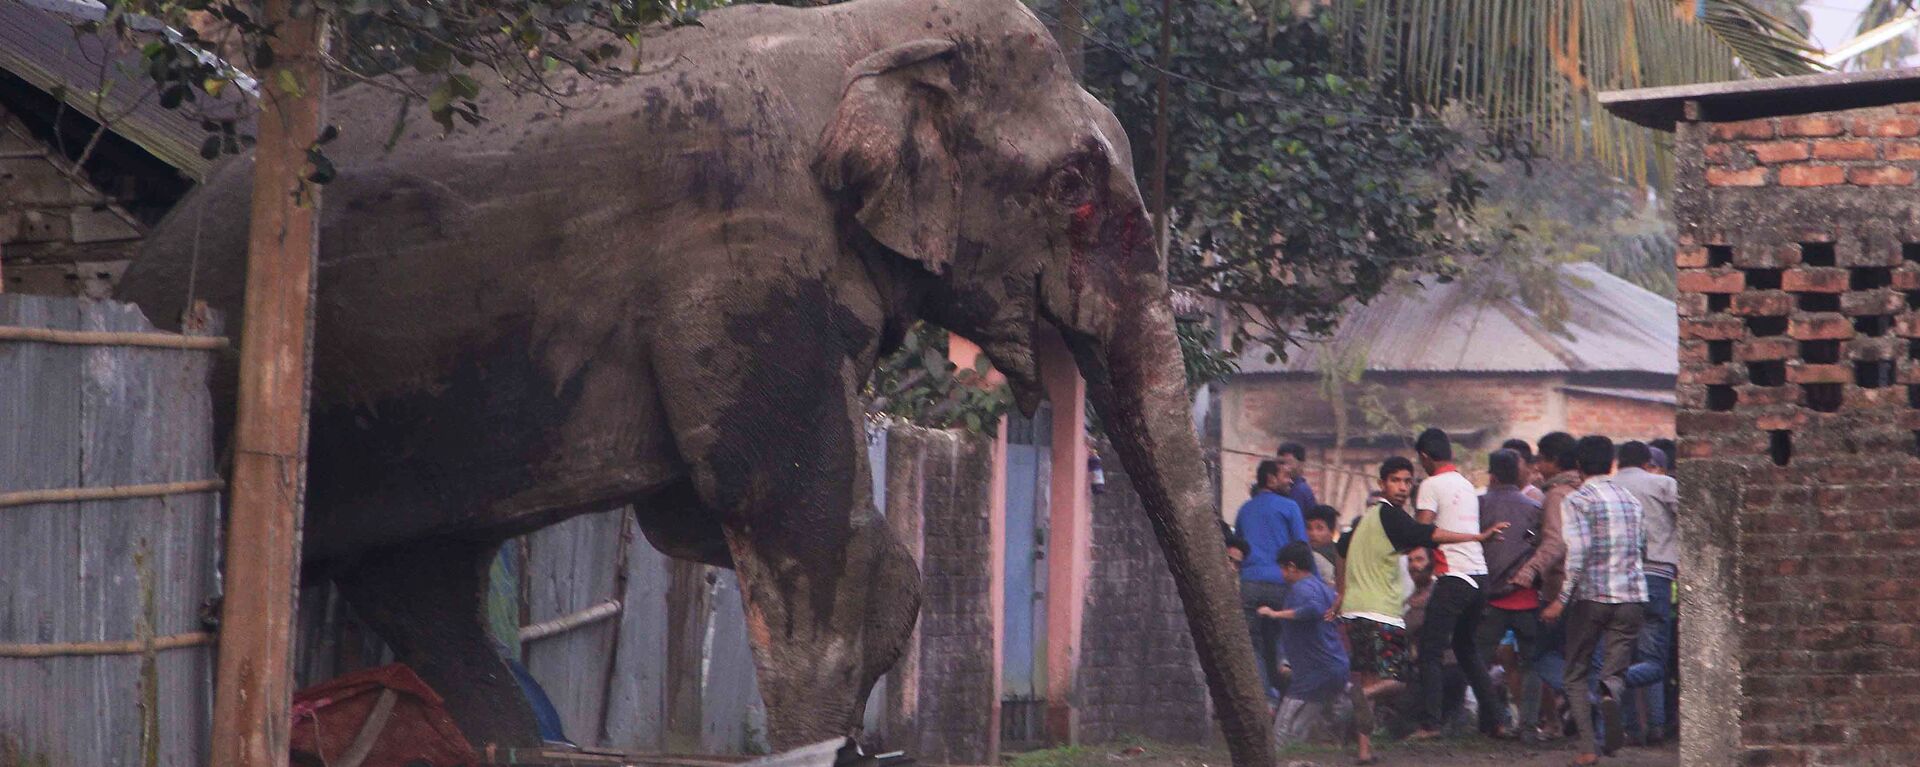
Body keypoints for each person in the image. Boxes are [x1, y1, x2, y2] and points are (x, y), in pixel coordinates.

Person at [1336, 456, 1506, 762]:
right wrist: (1477, 536)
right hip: (1380, 612)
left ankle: (1364, 752)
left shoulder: (1368, 518)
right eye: (1395, 481)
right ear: (1382, 484)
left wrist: (1341, 593)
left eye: (1407, 482)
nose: (1402, 488)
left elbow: (1340, 550)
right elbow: (1432, 535)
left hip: (1354, 610)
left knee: (1371, 679)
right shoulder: (1392, 516)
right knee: (1397, 679)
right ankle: (1364, 698)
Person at [1545, 436, 1648, 765]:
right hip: (1632, 597)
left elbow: (1577, 554)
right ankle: (1610, 695)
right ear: (1612, 464)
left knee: (1575, 672)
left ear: (1577, 467)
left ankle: (1588, 748)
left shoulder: (1577, 501)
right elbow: (1641, 549)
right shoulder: (1632, 501)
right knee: (1614, 672)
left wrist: (1562, 598)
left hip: (1591, 598)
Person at [1409, 428, 1506, 740]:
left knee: (1430, 649)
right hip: (1479, 577)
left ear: (1425, 456)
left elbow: (1422, 531)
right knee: (1466, 649)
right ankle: (1496, 720)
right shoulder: (1465, 484)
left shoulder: (1430, 484)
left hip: (1454, 577)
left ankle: (1430, 723)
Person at [1611, 440, 1679, 746]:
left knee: (1619, 654)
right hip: (1656, 575)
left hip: (1616, 579)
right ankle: (1656, 725)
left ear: (1618, 461)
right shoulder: (1663, 484)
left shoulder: (1605, 487)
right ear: (1645, 461)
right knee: (1653, 658)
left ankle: (1629, 728)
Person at [1476, 449, 1545, 740]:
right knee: (1531, 664)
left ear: (1491, 475)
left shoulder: (1478, 505)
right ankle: (1529, 726)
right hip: (1526, 598)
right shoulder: (1533, 508)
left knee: (1478, 660)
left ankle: (1490, 723)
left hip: (1490, 599)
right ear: (1519, 474)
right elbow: (1540, 547)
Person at [1517, 431, 1579, 740]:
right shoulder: (1584, 489)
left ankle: (1587, 697)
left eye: (1541, 458)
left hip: (1558, 588)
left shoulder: (1556, 495)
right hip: (1588, 588)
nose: (1537, 465)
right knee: (1579, 654)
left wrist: (1531, 569)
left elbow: (1555, 542)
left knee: (1540, 655)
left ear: (1554, 460)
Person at [1260, 542, 1351, 749]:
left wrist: (1276, 614)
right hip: (1335, 666)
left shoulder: (1303, 588)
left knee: (1283, 731)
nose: (1282, 574)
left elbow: (1313, 609)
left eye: (1283, 568)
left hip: (1314, 672)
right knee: (1318, 728)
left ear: (1292, 567)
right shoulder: (1323, 588)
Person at [1235, 460, 1309, 703]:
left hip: (1249, 583)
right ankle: (1284, 667)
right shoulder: (1290, 507)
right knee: (1283, 635)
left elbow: (1238, 549)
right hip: (1281, 584)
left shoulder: (1245, 510)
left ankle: (1266, 700)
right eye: (1286, 476)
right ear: (1270, 479)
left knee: (1253, 644)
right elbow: (1301, 549)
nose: (1291, 481)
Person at [1305, 504, 1343, 586]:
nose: (1313, 533)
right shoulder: (1304, 555)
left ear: (1332, 532)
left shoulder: (1341, 554)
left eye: (1319, 528)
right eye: (1309, 528)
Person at [1277, 442, 1319, 515]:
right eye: (1281, 462)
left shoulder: (1299, 490)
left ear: (1301, 464)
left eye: (1289, 462)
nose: (1285, 467)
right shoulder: (1283, 489)